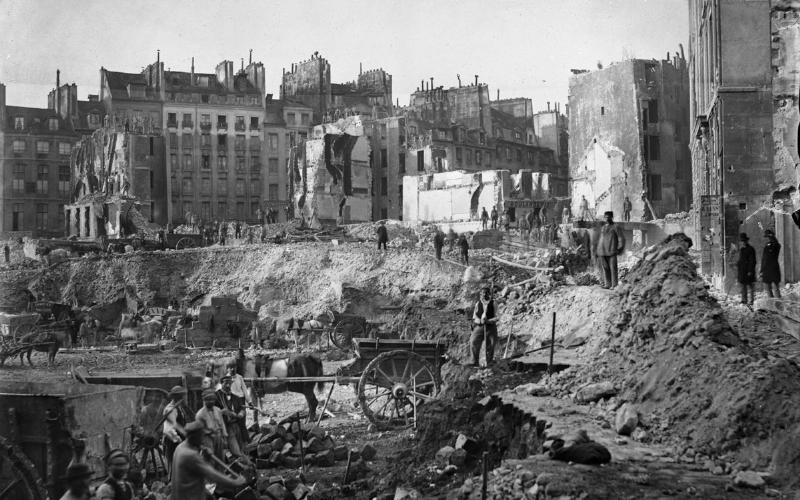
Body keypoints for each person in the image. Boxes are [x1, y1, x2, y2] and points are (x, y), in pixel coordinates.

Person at [171, 420, 248, 500]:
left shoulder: (180, 447)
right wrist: (235, 482)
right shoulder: (190, 455)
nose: (203, 440)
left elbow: (194, 468)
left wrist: (205, 455)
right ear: (195, 437)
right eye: (201, 436)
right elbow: (213, 475)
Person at [163, 386, 191, 476]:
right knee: (175, 464)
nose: (184, 398)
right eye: (183, 396)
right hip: (173, 442)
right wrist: (178, 440)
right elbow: (168, 429)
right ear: (177, 397)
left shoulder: (179, 407)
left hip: (181, 441)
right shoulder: (170, 409)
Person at [215, 375, 246, 458]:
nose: (228, 385)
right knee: (235, 450)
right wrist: (222, 412)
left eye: (230, 383)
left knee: (241, 447)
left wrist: (241, 413)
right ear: (221, 383)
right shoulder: (216, 396)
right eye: (226, 383)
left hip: (236, 425)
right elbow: (212, 411)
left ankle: (241, 460)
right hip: (225, 426)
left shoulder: (235, 397)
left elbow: (242, 408)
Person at [594, 211, 625, 289]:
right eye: (605, 217)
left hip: (612, 250)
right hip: (602, 251)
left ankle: (614, 285)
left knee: (613, 268)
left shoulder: (616, 227)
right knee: (605, 268)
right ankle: (607, 284)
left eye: (608, 217)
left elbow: (621, 238)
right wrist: (597, 250)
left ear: (612, 217)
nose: (607, 219)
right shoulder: (603, 227)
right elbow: (601, 239)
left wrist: (620, 248)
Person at [195, 388, 228, 460]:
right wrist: (203, 445)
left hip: (219, 437)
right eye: (208, 400)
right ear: (204, 400)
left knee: (220, 458)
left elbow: (222, 424)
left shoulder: (217, 410)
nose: (211, 401)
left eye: (212, 399)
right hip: (208, 439)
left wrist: (225, 439)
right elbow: (199, 432)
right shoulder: (200, 414)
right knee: (210, 459)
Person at [470, 288, 498, 367]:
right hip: (480, 325)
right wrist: (480, 321)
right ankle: (474, 361)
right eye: (482, 293)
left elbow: (497, 316)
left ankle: (489, 362)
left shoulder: (493, 303)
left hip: (490, 326)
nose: (484, 295)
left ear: (489, 294)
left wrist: (489, 321)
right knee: (473, 341)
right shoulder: (478, 303)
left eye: (486, 293)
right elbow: (474, 317)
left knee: (491, 343)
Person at [761, 229, 782, 298]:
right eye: (767, 237)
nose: (768, 238)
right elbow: (764, 259)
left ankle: (778, 302)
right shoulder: (767, 245)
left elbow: (777, 245)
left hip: (773, 268)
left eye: (769, 237)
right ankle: (771, 302)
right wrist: (761, 270)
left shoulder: (775, 245)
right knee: (767, 288)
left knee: (775, 288)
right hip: (766, 269)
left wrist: (773, 237)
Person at [737, 233, 757, 306]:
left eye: (744, 241)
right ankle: (744, 300)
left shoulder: (751, 249)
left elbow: (753, 261)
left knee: (751, 286)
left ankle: (751, 301)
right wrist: (738, 265)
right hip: (742, 271)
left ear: (747, 241)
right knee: (743, 286)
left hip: (748, 271)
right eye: (742, 241)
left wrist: (750, 270)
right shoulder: (742, 249)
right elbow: (741, 260)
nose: (743, 242)